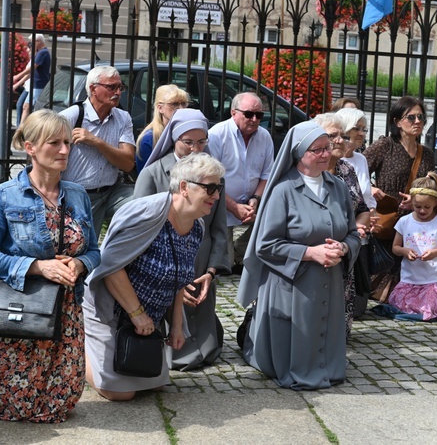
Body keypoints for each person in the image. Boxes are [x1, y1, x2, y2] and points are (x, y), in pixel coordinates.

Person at [0, 110, 101, 422]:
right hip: (24, 308)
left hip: (67, 311)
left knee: (58, 406)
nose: (65, 150)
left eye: (67, 142)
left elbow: (95, 251)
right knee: (18, 408)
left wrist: (80, 263)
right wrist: (37, 266)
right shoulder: (6, 195)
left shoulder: (77, 195)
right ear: (30, 147)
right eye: (55, 143)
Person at [83, 153, 225, 401]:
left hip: (147, 319)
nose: (217, 196)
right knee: (121, 394)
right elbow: (110, 267)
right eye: (210, 188)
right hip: (111, 311)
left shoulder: (196, 226)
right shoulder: (146, 214)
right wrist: (137, 314)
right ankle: (77, 348)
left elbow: (178, 280)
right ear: (184, 187)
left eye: (219, 188)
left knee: (154, 386)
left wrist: (177, 328)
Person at [237, 121, 361, 390]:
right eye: (317, 150)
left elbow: (353, 233)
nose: (326, 154)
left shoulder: (338, 187)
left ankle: (329, 367)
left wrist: (344, 248)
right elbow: (266, 245)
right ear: (299, 154)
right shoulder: (283, 191)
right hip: (293, 283)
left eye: (327, 148)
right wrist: (310, 253)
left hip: (331, 281)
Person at [133, 108, 230, 370]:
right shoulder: (153, 173)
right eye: (188, 142)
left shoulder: (213, 173)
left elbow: (219, 229)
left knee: (200, 307)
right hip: (164, 264)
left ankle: (205, 346)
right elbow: (138, 228)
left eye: (201, 142)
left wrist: (212, 271)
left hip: (201, 262)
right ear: (174, 139)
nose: (195, 148)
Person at [363, 96, 435, 302]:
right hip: (388, 224)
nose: (417, 121)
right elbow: (355, 172)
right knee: (384, 293)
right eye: (410, 117)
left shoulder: (426, 154)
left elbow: (431, 189)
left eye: (421, 117)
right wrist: (372, 188)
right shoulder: (385, 146)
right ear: (397, 121)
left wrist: (416, 199)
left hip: (414, 225)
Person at [59, 65, 136, 238]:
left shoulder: (122, 118)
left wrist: (96, 142)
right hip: (77, 195)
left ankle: (122, 257)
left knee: (140, 206)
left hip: (111, 192)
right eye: (111, 87)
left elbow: (127, 162)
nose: (117, 92)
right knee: (80, 245)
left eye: (120, 87)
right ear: (93, 89)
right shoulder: (71, 116)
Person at [315, 114, 369, 336]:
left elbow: (362, 208)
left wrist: (358, 226)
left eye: (343, 136)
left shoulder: (347, 170)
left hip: (344, 252)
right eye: (332, 135)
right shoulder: (307, 173)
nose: (340, 140)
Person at [208, 92, 273, 274]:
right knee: (226, 266)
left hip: (252, 202)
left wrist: (256, 199)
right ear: (233, 112)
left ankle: (242, 249)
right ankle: (233, 253)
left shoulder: (265, 137)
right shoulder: (216, 135)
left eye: (259, 115)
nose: (254, 119)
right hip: (220, 202)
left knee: (277, 216)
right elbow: (211, 181)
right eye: (249, 114)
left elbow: (267, 175)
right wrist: (235, 207)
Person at [380, 172, 437, 321]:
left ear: (435, 203)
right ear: (411, 201)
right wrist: (405, 251)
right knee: (403, 307)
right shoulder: (404, 221)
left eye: (427, 207)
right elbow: (395, 247)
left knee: (429, 310)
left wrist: (434, 253)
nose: (422, 211)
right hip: (409, 279)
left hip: (431, 279)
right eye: (417, 206)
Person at [336, 107, 376, 317]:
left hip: (362, 231)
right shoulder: (334, 162)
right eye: (357, 128)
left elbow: (366, 196)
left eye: (364, 129)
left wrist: (371, 215)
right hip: (342, 231)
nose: (362, 133)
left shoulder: (360, 159)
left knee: (359, 306)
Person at [135, 84, 189, 173]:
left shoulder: (188, 133)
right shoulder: (149, 138)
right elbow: (145, 177)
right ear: (160, 108)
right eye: (174, 104)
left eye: (183, 103)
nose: (181, 108)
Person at [13, 34, 51, 126]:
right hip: (35, 85)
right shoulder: (40, 52)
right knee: (26, 106)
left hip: (39, 85)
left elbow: (32, 68)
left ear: (39, 42)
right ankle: (21, 128)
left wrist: (18, 76)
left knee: (35, 109)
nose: (31, 44)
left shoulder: (43, 52)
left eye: (33, 42)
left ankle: (28, 128)